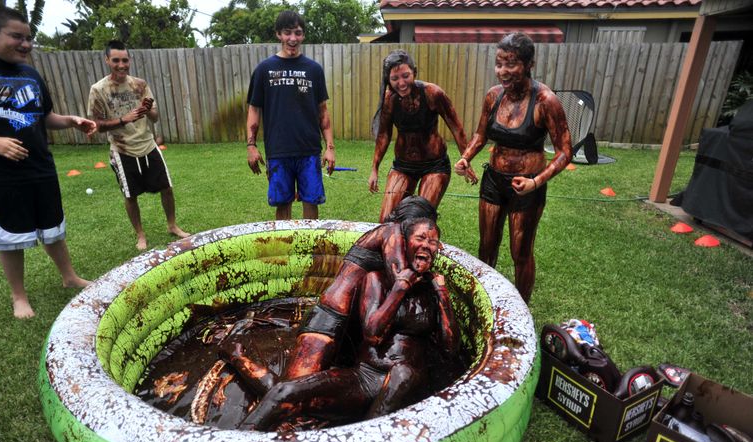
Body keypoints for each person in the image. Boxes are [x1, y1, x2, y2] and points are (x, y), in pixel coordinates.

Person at [0, 5, 96, 319]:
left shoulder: (29, 72)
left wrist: (70, 120)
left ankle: (69, 277)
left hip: (40, 165)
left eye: (29, 38)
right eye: (17, 37)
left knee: (53, 226)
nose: (26, 44)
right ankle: (19, 297)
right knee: (9, 236)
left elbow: (44, 117)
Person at [239, 218, 460, 431]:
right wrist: (400, 288)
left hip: (405, 379)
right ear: (404, 244)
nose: (426, 245)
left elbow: (450, 347)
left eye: (432, 242)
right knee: (284, 391)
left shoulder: (432, 291)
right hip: (365, 377)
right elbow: (373, 334)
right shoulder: (377, 280)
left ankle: (365, 437)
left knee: (402, 373)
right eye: (420, 238)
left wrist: (442, 293)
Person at [223, 195, 438, 397]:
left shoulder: (396, 236)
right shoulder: (392, 232)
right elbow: (399, 277)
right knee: (285, 390)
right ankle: (234, 354)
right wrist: (430, 266)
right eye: (422, 233)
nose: (427, 238)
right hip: (328, 320)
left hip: (351, 328)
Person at [454, 33, 572, 303]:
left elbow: (566, 150)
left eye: (511, 64)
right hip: (493, 180)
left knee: (520, 252)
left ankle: (521, 307)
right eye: (499, 64)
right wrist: (466, 157)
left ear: (529, 64)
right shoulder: (493, 96)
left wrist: (537, 181)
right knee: (486, 247)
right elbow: (481, 135)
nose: (503, 72)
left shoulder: (545, 101)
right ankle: (484, 302)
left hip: (527, 186)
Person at [87, 40, 189, 251]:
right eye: (116, 60)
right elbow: (97, 125)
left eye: (125, 60)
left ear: (129, 60)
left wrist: (148, 109)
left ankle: (172, 225)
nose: (121, 65)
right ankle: (140, 235)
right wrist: (125, 119)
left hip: (148, 144)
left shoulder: (140, 85)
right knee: (130, 196)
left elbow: (155, 116)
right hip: (122, 149)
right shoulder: (98, 90)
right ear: (107, 60)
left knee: (167, 188)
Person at [246, 10, 336, 221]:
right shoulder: (264, 69)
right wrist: (251, 146)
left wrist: (330, 148)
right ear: (278, 34)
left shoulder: (314, 69)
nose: (293, 39)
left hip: (309, 150)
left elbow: (323, 111)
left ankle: (309, 249)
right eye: (287, 33)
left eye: (298, 33)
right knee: (282, 203)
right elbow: (254, 109)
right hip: (278, 151)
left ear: (303, 35)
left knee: (311, 202)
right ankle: (285, 251)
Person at [369, 49, 475, 223]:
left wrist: (466, 159)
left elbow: (457, 128)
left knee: (418, 220)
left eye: (405, 76)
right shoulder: (389, 100)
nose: (401, 83)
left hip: (434, 166)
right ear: (388, 79)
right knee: (386, 221)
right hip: (403, 166)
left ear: (414, 72)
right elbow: (383, 135)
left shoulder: (433, 93)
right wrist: (374, 168)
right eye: (395, 79)